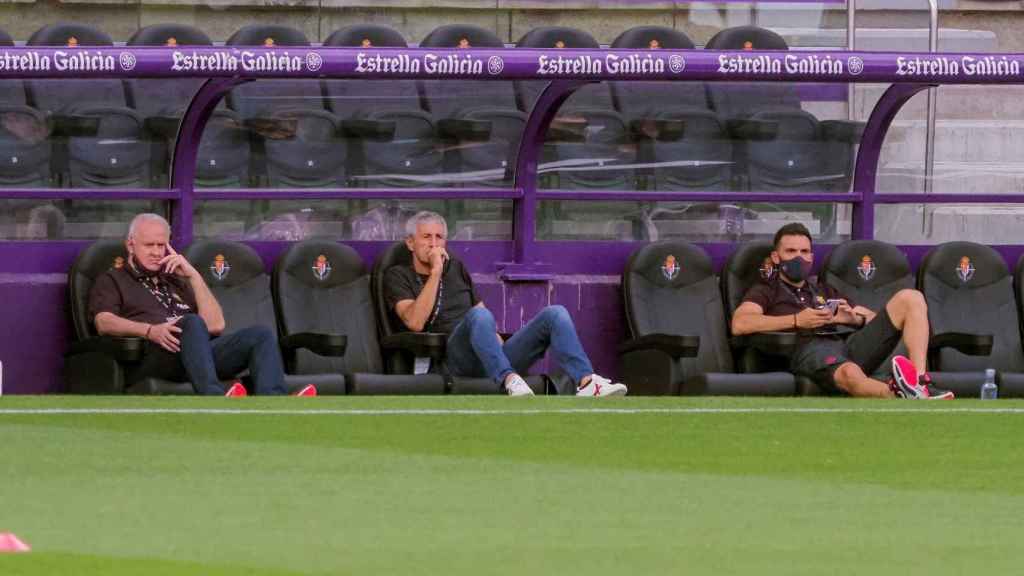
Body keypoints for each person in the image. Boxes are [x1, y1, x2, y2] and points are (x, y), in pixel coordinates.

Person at [384, 211, 627, 397]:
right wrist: (436, 272)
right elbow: (414, 322)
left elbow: (481, 312)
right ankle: (509, 380)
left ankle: (586, 383)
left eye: (439, 237)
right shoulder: (397, 275)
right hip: (451, 359)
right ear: (410, 243)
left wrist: (499, 344)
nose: (434, 244)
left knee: (555, 314)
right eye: (427, 237)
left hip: (490, 355)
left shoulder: (456, 269)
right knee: (480, 319)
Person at [88, 213, 315, 397]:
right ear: (130, 244)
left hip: (198, 355)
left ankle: (273, 401)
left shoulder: (176, 279)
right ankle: (214, 397)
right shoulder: (113, 279)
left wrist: (193, 276)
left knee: (261, 335)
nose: (157, 252)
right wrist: (149, 331)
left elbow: (216, 325)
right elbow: (103, 322)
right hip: (154, 355)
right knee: (191, 322)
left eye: (161, 245)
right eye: (149, 245)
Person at [731, 223, 953, 399]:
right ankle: (900, 397)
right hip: (808, 350)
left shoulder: (823, 289)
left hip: (847, 343)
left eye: (804, 251)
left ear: (811, 257)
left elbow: (878, 321)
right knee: (850, 373)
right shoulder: (767, 289)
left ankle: (919, 382)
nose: (799, 257)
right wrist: (797, 320)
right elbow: (740, 323)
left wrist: (855, 320)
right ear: (776, 257)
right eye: (791, 251)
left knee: (910, 298)